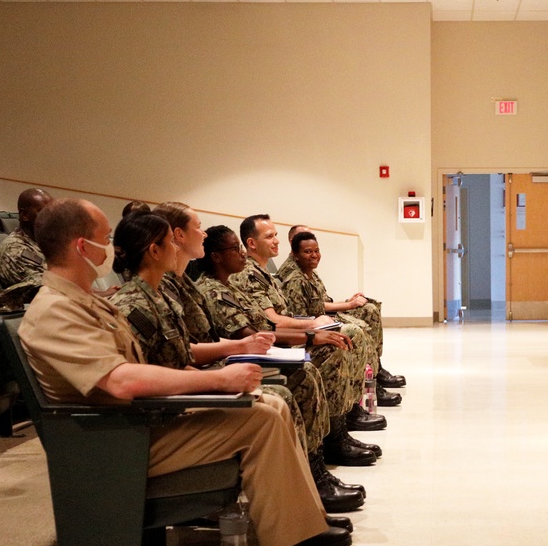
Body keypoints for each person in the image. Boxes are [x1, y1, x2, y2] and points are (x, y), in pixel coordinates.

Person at [19, 198, 354, 546]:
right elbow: (121, 381)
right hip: (116, 445)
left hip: (138, 427)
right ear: (80, 246)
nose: (111, 249)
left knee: (270, 405)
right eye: (105, 239)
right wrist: (216, 383)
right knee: (262, 417)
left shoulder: (81, 300)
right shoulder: (56, 310)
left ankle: (291, 544)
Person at [149, 202, 367, 512]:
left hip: (229, 362)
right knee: (299, 379)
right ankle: (311, 475)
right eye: (197, 227)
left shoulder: (188, 285)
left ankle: (317, 463)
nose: (241, 253)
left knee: (315, 361)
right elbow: (205, 347)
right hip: (202, 381)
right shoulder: (191, 289)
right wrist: (306, 336)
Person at [195, 225, 383, 466]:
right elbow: (256, 334)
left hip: (261, 348)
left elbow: (267, 326)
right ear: (216, 256)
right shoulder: (216, 290)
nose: (242, 254)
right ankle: (320, 454)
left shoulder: (230, 286)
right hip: (242, 360)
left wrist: (313, 331)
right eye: (235, 249)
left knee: (339, 337)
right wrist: (311, 335)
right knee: (321, 358)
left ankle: (338, 430)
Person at [231, 215, 386, 435]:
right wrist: (313, 326)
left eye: (276, 235)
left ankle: (355, 403)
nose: (277, 240)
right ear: (251, 243)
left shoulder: (262, 272)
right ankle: (339, 427)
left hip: (283, 336)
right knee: (344, 337)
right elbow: (272, 321)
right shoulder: (249, 274)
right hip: (275, 345)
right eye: (269, 236)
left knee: (356, 323)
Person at [280, 228, 405, 407]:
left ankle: (375, 372)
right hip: (315, 326)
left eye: (316, 251)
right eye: (308, 252)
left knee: (370, 306)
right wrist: (347, 306)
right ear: (295, 253)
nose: (314, 255)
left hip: (324, 319)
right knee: (357, 331)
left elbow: (321, 301)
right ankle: (361, 395)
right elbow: (301, 316)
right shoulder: (294, 279)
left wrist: (348, 302)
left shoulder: (310, 273)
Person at [0, 188, 53, 288]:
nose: (51, 217)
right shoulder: (13, 249)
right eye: (43, 212)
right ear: (25, 215)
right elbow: (44, 287)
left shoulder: (45, 243)